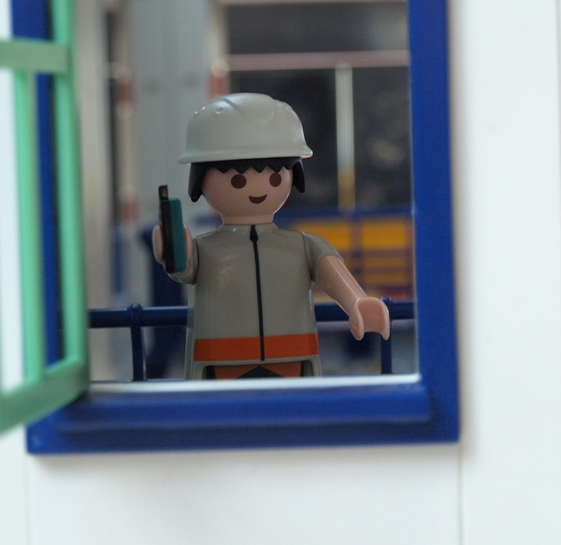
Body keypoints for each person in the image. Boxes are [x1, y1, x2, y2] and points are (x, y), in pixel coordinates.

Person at [152, 93, 390, 379]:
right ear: (200, 180)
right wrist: (174, 249)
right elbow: (184, 269)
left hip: (292, 356)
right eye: (238, 179)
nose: (258, 188)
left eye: (275, 177)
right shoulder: (204, 248)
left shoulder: (302, 245)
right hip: (221, 359)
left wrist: (357, 302)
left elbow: (330, 270)